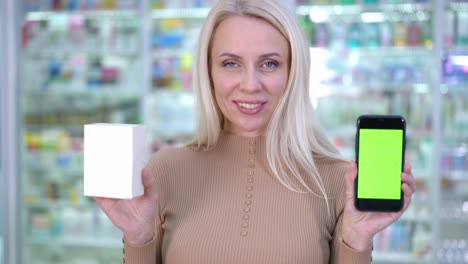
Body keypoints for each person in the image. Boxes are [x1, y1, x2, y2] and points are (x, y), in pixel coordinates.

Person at [94, 0, 416, 263]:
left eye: (269, 64)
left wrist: (357, 240)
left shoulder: (336, 180)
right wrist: (138, 240)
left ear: (293, 72)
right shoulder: (165, 171)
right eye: (231, 63)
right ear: (209, 71)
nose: (250, 85)